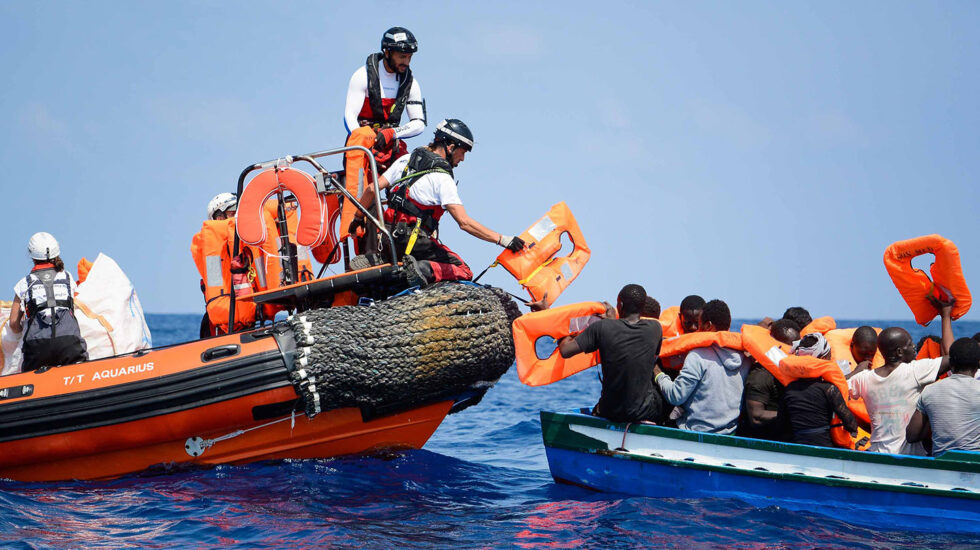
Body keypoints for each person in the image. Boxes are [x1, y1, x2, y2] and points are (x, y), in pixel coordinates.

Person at [351, 119, 525, 282]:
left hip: (387, 237)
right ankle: (421, 268)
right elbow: (464, 223)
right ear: (450, 147)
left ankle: (381, 258)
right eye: (462, 152)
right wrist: (503, 240)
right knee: (463, 270)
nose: (462, 158)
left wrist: (357, 219)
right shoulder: (442, 179)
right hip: (413, 243)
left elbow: (371, 189)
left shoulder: (405, 160)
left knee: (403, 246)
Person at [848, 295, 955, 455]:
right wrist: (946, 315)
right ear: (899, 352)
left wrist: (855, 372)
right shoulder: (914, 371)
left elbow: (836, 386)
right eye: (909, 344)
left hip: (877, 453)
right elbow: (953, 356)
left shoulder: (863, 379)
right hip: (909, 457)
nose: (914, 347)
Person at [557, 284, 666, 423]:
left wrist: (562, 330)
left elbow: (565, 351)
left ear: (619, 304)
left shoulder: (602, 328)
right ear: (643, 306)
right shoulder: (655, 329)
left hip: (610, 411)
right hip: (644, 412)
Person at [653, 299, 749, 434]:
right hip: (730, 432)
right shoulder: (746, 358)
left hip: (694, 431)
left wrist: (658, 373)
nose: (695, 329)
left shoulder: (697, 356)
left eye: (698, 324)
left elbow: (675, 396)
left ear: (708, 325)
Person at [344, 27, 425, 170]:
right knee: (362, 187)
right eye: (402, 57)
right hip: (363, 145)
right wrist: (368, 145)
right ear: (387, 52)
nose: (406, 62)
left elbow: (419, 123)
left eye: (409, 57)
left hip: (392, 145)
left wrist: (392, 133)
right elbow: (349, 116)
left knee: (412, 175)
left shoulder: (411, 83)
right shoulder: (362, 76)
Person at [8, 232, 88, 372]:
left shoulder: (23, 284)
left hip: (37, 349)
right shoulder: (68, 277)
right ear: (57, 252)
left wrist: (23, 329)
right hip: (69, 344)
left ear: (31, 255)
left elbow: (13, 323)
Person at [781, 333, 861, 447]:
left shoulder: (789, 389)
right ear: (822, 359)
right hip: (823, 447)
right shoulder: (829, 389)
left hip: (797, 444)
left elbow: (782, 423)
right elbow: (850, 423)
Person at [906, 337, 980, 455]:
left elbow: (911, 435)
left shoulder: (930, 391)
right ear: (978, 363)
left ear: (950, 364)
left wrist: (934, 414)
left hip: (942, 464)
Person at [739, 319, 799, 441]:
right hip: (763, 442)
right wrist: (795, 416)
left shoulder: (798, 372)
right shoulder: (760, 376)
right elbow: (756, 417)